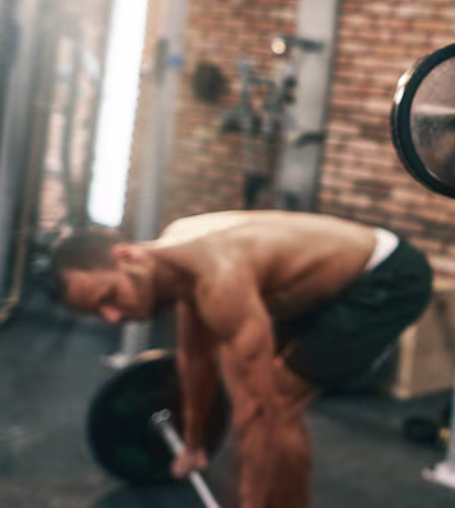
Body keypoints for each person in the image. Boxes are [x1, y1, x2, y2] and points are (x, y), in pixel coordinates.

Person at [49, 211, 433, 508]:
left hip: (387, 275)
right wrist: (194, 445)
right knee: (252, 384)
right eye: (99, 313)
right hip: (325, 281)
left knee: (279, 401)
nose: (113, 317)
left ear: (127, 256)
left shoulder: (219, 279)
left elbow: (259, 412)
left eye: (109, 297)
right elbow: (195, 359)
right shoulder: (178, 259)